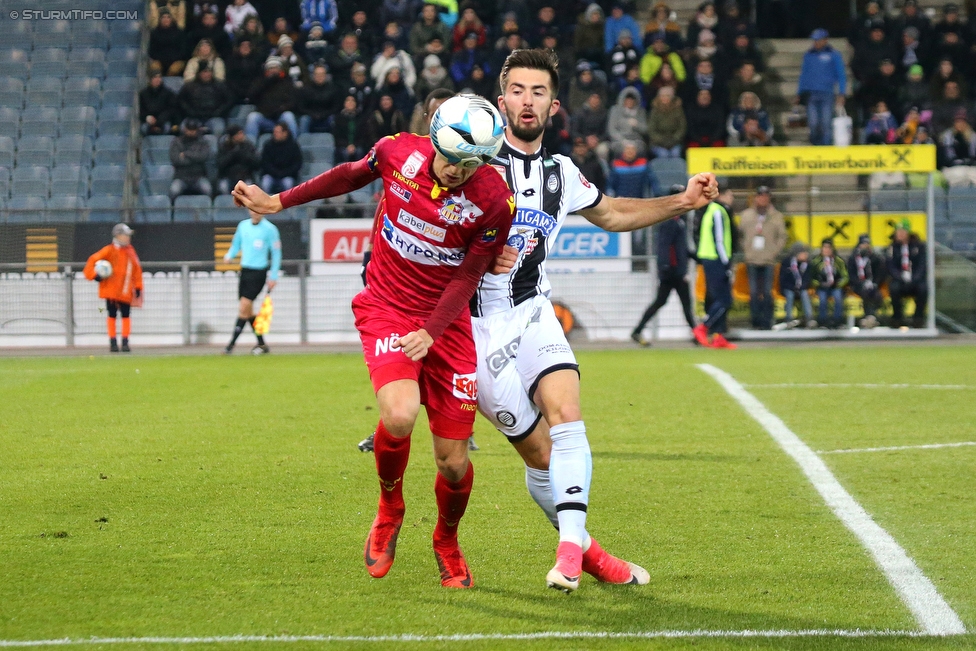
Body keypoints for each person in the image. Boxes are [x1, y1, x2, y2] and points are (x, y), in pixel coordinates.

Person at [232, 95, 516, 589]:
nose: (457, 172)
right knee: (400, 414)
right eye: (452, 158)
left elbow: (469, 275)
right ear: (433, 139)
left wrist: (432, 331)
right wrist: (279, 202)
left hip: (446, 327)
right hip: (387, 307)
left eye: (472, 164)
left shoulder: (494, 200)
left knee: (453, 463)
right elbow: (346, 174)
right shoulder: (395, 153)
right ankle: (390, 507)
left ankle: (446, 541)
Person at [474, 49, 717, 593]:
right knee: (539, 458)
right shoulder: (473, 166)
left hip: (534, 311)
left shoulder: (562, 174)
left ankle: (567, 551)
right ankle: (592, 553)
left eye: (538, 92)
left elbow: (612, 215)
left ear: (554, 105)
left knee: (567, 413)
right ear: (501, 100)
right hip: (475, 331)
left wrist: (682, 201)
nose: (527, 101)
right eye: (517, 90)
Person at [631, 184, 697, 346]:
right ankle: (697, 335)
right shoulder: (671, 221)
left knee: (662, 302)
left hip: (673, 270)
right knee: (685, 304)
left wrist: (694, 257)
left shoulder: (678, 220)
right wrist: (672, 269)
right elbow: (665, 247)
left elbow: (679, 248)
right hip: (674, 272)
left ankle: (637, 330)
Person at [222, 210, 281, 354]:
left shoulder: (270, 229)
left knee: (243, 307)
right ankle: (262, 344)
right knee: (247, 311)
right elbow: (236, 245)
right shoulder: (243, 226)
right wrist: (229, 255)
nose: (255, 213)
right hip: (245, 271)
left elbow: (276, 253)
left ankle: (230, 345)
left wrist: (273, 276)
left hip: (259, 273)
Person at [84, 224, 144, 353]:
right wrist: (94, 275)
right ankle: (112, 342)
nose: (128, 238)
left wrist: (138, 286)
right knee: (111, 315)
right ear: (117, 236)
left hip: (125, 290)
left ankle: (125, 342)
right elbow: (92, 261)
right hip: (111, 290)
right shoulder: (109, 250)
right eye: (125, 235)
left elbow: (136, 270)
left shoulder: (130, 251)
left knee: (126, 315)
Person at [691, 179, 735, 348]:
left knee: (720, 298)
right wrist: (726, 263)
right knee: (725, 300)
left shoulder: (712, 210)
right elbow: (719, 240)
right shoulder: (718, 211)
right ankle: (704, 327)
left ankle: (718, 336)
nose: (731, 198)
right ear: (722, 195)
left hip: (710, 258)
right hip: (715, 259)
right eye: (730, 195)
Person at [738, 185, 786, 329]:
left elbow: (782, 236)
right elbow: (740, 235)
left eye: (766, 196)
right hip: (751, 258)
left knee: (766, 292)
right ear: (756, 198)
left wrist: (774, 251)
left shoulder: (776, 216)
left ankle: (767, 321)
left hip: (768, 259)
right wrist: (746, 250)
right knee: (753, 292)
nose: (763, 199)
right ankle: (755, 320)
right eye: (760, 196)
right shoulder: (747, 215)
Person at [797, 29, 847, 146]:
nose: (816, 43)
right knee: (813, 124)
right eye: (814, 40)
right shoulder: (809, 55)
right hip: (811, 94)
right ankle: (816, 147)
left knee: (826, 124)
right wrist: (799, 93)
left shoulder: (834, 55)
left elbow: (841, 75)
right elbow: (804, 74)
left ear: (825, 40)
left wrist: (841, 93)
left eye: (818, 40)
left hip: (827, 94)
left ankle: (826, 150)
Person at [244, 58, 299, 143]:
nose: (273, 70)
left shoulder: (287, 82)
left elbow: (293, 101)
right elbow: (251, 96)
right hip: (265, 116)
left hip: (281, 116)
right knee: (253, 117)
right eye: (271, 68)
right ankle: (250, 147)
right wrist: (267, 82)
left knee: (289, 116)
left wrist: (282, 109)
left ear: (280, 69)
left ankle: (293, 144)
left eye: (275, 68)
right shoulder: (260, 81)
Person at [886, 219, 928, 328]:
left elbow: (922, 265)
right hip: (900, 279)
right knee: (894, 288)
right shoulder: (893, 247)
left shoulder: (918, 246)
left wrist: (915, 278)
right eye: (898, 232)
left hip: (915, 279)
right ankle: (897, 318)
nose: (899, 234)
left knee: (923, 289)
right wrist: (900, 276)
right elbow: (891, 266)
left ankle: (918, 318)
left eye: (902, 232)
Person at [177, 61, 234, 137]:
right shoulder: (189, 86)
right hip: (194, 117)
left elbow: (229, 100)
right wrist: (190, 112)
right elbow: (181, 101)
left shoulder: (220, 86)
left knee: (219, 129)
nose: (207, 74)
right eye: (204, 72)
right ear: (199, 73)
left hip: (214, 117)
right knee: (184, 129)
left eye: (209, 72)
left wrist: (219, 112)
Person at [169, 118, 213, 201]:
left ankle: (208, 213)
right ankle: (172, 212)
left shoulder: (203, 142)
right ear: (185, 129)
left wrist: (185, 154)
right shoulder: (176, 142)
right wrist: (195, 158)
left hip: (199, 176)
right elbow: (176, 160)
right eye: (189, 129)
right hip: (181, 177)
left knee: (208, 190)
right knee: (173, 191)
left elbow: (203, 157)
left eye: (193, 129)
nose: (191, 132)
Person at [847, 234, 885, 328]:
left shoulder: (875, 258)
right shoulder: (853, 258)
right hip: (857, 285)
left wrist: (874, 283)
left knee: (877, 295)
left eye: (867, 244)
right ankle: (869, 317)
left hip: (872, 284)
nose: (865, 246)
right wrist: (861, 283)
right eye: (863, 244)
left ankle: (871, 317)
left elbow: (879, 273)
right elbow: (851, 275)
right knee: (865, 293)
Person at [810, 238, 849, 328]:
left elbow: (845, 276)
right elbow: (811, 278)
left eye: (829, 247)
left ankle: (837, 321)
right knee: (822, 299)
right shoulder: (816, 261)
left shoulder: (838, 261)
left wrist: (838, 284)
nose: (827, 250)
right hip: (822, 287)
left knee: (838, 297)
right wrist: (819, 284)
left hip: (835, 287)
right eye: (825, 247)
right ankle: (823, 322)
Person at [259, 122, 302, 194]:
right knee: (265, 184)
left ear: (285, 133)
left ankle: (288, 204)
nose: (275, 134)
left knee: (288, 184)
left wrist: (285, 173)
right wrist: (275, 172)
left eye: (277, 132)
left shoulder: (293, 146)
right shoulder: (268, 145)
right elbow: (265, 163)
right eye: (274, 132)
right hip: (271, 175)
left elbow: (297, 164)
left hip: (288, 175)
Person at [217, 124, 261, 195]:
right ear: (233, 136)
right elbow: (220, 164)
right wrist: (233, 153)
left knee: (250, 189)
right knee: (223, 188)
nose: (242, 136)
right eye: (239, 134)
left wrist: (243, 154)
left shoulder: (248, 146)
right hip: (228, 176)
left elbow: (256, 163)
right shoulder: (224, 147)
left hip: (245, 176)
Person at [298, 64, 341, 134]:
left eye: (322, 74)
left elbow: (336, 107)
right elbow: (301, 107)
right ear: (313, 76)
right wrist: (312, 114)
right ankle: (302, 142)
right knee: (304, 119)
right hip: (310, 116)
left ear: (326, 75)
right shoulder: (306, 89)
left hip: (327, 116)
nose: (319, 77)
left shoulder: (333, 89)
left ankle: (335, 141)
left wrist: (324, 114)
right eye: (317, 74)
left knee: (334, 119)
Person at [778, 242, 814, 327]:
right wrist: (793, 287)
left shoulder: (808, 264)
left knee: (805, 293)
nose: (806, 255)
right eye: (804, 253)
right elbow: (783, 279)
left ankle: (809, 318)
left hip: (802, 288)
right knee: (789, 295)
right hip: (789, 287)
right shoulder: (787, 263)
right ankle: (788, 319)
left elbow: (808, 279)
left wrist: (802, 286)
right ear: (797, 254)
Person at [646, 85, 685, 158]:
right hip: (658, 143)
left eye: (667, 96)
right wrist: (662, 141)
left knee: (675, 153)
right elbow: (651, 130)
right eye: (662, 96)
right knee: (663, 154)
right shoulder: (654, 111)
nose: (665, 98)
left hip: (675, 142)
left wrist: (674, 139)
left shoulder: (678, 110)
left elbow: (682, 127)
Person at [139, 67, 178, 136]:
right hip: (149, 122)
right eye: (155, 77)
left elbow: (171, 110)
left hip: (164, 121)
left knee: (167, 128)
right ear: (150, 79)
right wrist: (147, 117)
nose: (157, 79)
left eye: (159, 77)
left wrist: (159, 121)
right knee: (143, 128)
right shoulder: (143, 94)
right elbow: (142, 111)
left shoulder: (168, 93)